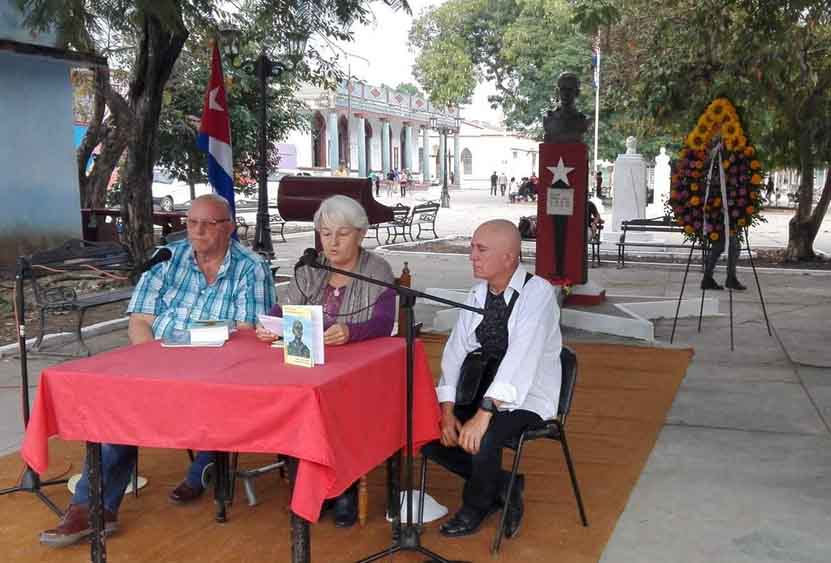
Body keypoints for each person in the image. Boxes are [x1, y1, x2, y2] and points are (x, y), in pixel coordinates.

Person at [40, 194, 276, 548]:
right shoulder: (165, 259)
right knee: (117, 408)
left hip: (221, 372)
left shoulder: (251, 267)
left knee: (208, 402)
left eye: (207, 224)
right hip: (161, 363)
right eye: (191, 223)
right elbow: (140, 321)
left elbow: (246, 334)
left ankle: (205, 467)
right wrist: (147, 365)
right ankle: (91, 508)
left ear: (228, 227)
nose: (196, 232)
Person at [256, 195, 396, 527]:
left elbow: (383, 322)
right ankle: (309, 485)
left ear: (361, 234)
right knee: (290, 402)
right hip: (310, 367)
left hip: (356, 371)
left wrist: (351, 332)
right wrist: (269, 325)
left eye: (342, 233)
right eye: (325, 232)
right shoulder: (310, 268)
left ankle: (341, 488)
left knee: (335, 406)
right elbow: (285, 310)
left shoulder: (377, 270)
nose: (331, 242)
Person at [422, 220, 562, 539]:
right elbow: (456, 351)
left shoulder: (536, 293)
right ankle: (504, 484)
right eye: (472, 248)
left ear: (509, 258)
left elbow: (521, 359)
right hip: (482, 387)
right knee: (422, 429)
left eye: (480, 249)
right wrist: (446, 410)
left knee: (483, 439)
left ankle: (477, 504)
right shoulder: (477, 293)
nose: (472, 255)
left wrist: (484, 414)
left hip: (527, 396)